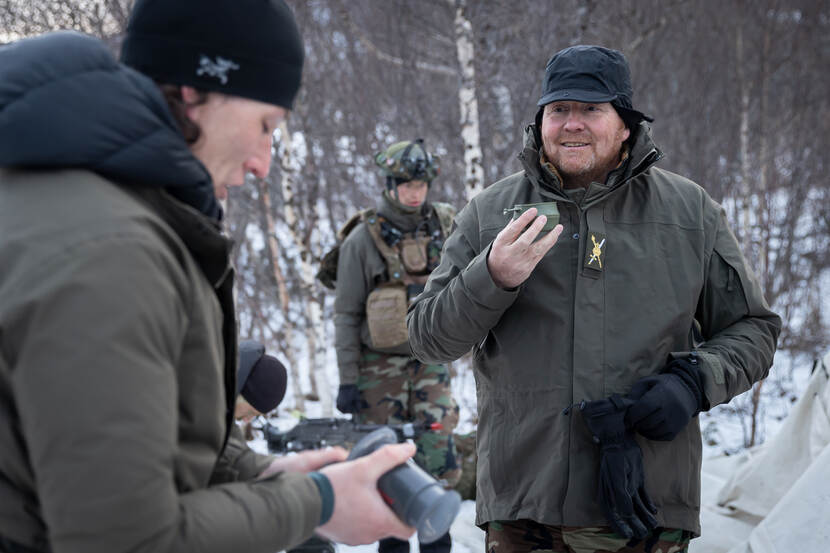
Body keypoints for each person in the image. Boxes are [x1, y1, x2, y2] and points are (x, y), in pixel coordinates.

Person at [0, 1, 416, 552]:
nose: (263, 164)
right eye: (264, 125)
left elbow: (133, 435)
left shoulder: (87, 202)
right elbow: (126, 539)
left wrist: (261, 475)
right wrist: (318, 503)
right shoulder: (108, 252)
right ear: (195, 90)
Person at [407, 45, 782, 553]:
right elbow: (427, 336)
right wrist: (491, 277)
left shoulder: (690, 212)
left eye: (592, 109)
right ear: (541, 121)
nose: (572, 124)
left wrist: (694, 382)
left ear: (625, 124)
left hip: (645, 505)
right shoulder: (490, 213)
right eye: (559, 109)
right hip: (525, 509)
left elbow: (754, 329)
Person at [333, 139, 461, 553]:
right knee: (390, 473)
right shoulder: (361, 241)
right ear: (390, 184)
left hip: (432, 364)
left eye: (421, 184)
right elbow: (347, 315)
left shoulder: (445, 228)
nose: (414, 192)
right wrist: (348, 379)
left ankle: (437, 542)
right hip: (377, 372)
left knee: (437, 464)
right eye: (406, 183)